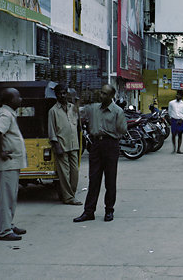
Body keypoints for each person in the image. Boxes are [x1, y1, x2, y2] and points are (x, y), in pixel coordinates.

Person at [75, 84, 127, 223]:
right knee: (94, 179)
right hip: (96, 145)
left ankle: (109, 210)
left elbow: (122, 129)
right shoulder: (92, 109)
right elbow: (77, 113)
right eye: (101, 93)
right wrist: (79, 100)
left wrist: (110, 131)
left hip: (111, 145)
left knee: (110, 180)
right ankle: (89, 211)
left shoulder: (117, 111)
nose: (102, 96)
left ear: (111, 96)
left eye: (105, 94)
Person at [0, 87, 27, 240]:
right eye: (18, 97)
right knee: (5, 198)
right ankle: (4, 231)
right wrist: (1, 152)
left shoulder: (8, 113)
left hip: (11, 164)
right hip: (6, 163)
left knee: (11, 196)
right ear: (10, 100)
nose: (21, 99)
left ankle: (8, 224)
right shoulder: (5, 114)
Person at [48, 83, 81, 206]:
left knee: (75, 172)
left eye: (64, 93)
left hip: (74, 145)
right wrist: (56, 146)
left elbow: (77, 125)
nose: (62, 95)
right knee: (64, 173)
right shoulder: (53, 111)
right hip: (61, 145)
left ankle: (70, 194)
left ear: (67, 93)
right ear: (56, 95)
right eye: (59, 93)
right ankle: (68, 198)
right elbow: (51, 130)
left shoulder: (73, 108)